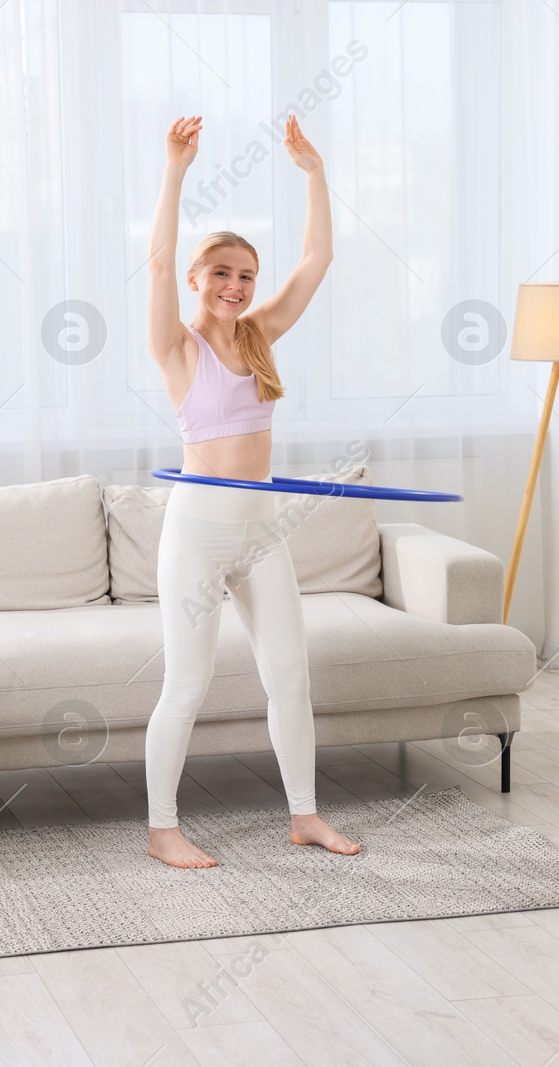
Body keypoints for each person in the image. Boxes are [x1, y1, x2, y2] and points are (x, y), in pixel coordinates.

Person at [143, 114, 360, 869]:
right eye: (222, 272)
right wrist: (176, 169)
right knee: (188, 682)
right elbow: (158, 261)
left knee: (291, 674)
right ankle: (162, 827)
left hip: (260, 529)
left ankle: (304, 815)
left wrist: (314, 174)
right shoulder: (177, 347)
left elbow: (318, 257)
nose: (236, 285)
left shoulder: (261, 337)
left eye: (246, 275)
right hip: (198, 531)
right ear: (200, 279)